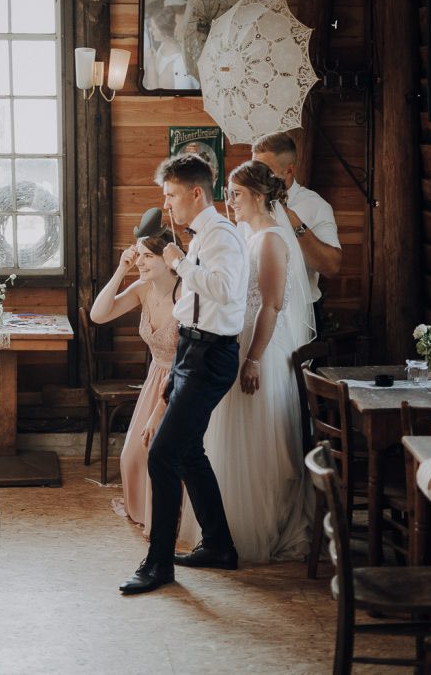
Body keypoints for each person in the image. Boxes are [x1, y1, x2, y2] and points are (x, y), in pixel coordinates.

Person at [119, 153, 248, 595]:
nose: (167, 204)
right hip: (190, 349)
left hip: (211, 356)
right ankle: (219, 545)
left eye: (172, 195)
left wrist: (179, 263)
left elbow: (225, 290)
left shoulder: (222, 236)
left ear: (196, 193)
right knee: (189, 451)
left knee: (162, 455)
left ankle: (158, 565)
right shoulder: (199, 236)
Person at [178, 160, 316, 563]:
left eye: (237, 194)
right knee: (226, 438)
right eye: (228, 193)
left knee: (257, 442)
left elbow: (271, 305)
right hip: (233, 342)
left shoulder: (271, 239)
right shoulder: (243, 235)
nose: (230, 201)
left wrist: (253, 358)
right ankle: (225, 529)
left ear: (258, 195)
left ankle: (259, 527)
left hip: (262, 349)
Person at [90, 226, 180, 536]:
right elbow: (98, 315)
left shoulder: (185, 294)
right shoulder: (143, 288)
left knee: (159, 454)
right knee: (131, 455)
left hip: (180, 382)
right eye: (137, 255)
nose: (139, 262)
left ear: (168, 258)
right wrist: (121, 270)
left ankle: (169, 518)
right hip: (155, 378)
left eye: (148, 256)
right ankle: (144, 510)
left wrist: (162, 406)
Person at [251, 132, 342, 317]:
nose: (257, 177)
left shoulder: (316, 206)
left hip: (299, 314)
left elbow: (332, 267)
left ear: (289, 170)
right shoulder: (248, 203)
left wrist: (291, 221)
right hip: (256, 311)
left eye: (265, 170)